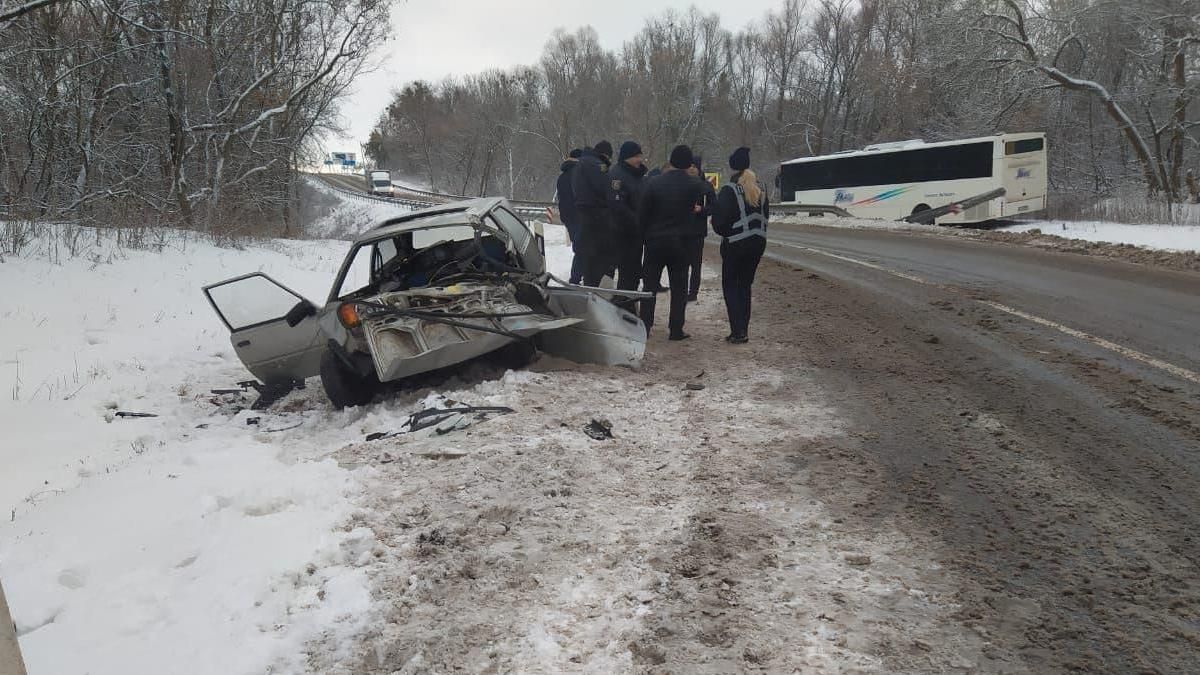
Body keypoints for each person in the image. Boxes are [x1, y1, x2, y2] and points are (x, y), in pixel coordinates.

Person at [636, 145, 709, 341]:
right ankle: (676, 329)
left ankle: (645, 326)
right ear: (688, 164)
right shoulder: (694, 184)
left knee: (649, 286)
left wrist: (645, 238)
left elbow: (642, 215)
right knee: (679, 287)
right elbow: (713, 200)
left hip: (655, 242)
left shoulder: (653, 183)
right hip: (681, 243)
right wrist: (699, 211)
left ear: (672, 160)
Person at [712, 146, 769, 344]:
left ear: (732, 167)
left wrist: (726, 234)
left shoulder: (729, 189)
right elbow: (765, 216)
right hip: (757, 244)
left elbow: (719, 221)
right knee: (745, 286)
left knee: (731, 286)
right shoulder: (761, 188)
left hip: (735, 245)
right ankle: (743, 328)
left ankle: (737, 331)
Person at [572, 140, 617, 286]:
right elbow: (606, 187)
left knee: (588, 261)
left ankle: (589, 286)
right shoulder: (599, 165)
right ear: (606, 154)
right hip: (598, 218)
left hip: (583, 217)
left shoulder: (580, 164)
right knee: (601, 262)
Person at [608, 141, 648, 294]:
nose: (640, 159)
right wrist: (637, 220)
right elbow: (617, 205)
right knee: (627, 275)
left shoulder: (639, 175)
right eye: (636, 156)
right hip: (623, 233)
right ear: (627, 157)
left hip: (637, 233)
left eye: (640, 156)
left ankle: (629, 303)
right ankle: (624, 305)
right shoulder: (617, 175)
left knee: (634, 274)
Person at [685, 156, 715, 302]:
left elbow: (714, 207)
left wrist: (701, 209)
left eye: (694, 166)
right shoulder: (680, 184)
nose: (691, 169)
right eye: (689, 166)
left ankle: (693, 293)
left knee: (695, 264)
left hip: (697, 231)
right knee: (681, 264)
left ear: (699, 168)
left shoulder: (706, 186)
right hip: (681, 231)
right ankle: (682, 290)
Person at [556, 148, 584, 283]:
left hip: (568, 217)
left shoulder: (562, 176)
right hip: (579, 216)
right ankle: (575, 277)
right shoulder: (578, 174)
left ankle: (577, 276)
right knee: (581, 249)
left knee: (578, 247)